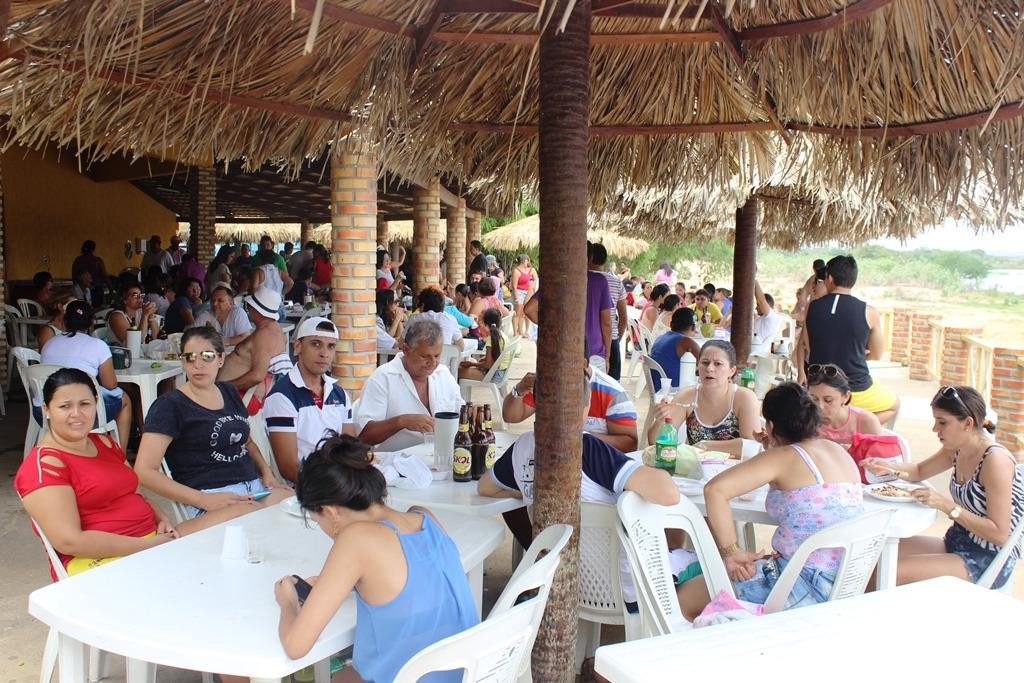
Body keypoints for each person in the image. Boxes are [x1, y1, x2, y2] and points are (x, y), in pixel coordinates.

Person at [274, 435, 478, 682]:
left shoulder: (355, 539)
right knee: (344, 677)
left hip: (413, 676)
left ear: (330, 511)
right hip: (470, 673)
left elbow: (296, 645)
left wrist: (287, 601)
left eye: (319, 522)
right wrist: (341, 582)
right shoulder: (423, 517)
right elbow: (417, 583)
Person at [15, 368, 228, 580]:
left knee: (238, 514)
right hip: (101, 561)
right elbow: (70, 541)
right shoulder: (45, 465)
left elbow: (136, 494)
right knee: (209, 572)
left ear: (96, 404)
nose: (77, 414)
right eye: (65, 406)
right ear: (47, 409)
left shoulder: (104, 442)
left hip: (152, 540)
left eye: (85, 404)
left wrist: (162, 519)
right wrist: (145, 546)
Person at [676, 382, 865, 618]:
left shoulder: (782, 456)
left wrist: (732, 553)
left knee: (682, 599)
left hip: (799, 585)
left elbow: (715, 490)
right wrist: (772, 448)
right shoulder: (836, 450)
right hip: (846, 580)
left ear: (772, 425)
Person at [480, 376, 679, 591]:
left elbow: (485, 488)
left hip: (563, 581)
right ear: (586, 405)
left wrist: (534, 490)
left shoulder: (521, 448)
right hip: (624, 588)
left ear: (535, 403)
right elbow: (669, 493)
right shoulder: (588, 449)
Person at [864, 386, 1023, 589]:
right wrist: (888, 467)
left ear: (967, 423)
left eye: (942, 422)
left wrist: (945, 504)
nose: (935, 429)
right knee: (872, 552)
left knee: (889, 573)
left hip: (988, 559)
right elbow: (919, 471)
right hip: (956, 542)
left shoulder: (995, 461)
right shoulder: (957, 449)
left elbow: (1000, 535)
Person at [135, 327, 292, 519]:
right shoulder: (170, 405)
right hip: (208, 495)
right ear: (183, 362)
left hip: (254, 488)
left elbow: (247, 442)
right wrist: (202, 499)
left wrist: (267, 472)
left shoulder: (228, 392)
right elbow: (144, 471)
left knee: (303, 508)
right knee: (258, 519)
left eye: (207, 356)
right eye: (190, 357)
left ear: (221, 359)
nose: (198, 364)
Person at [800, 255, 900, 424]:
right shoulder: (869, 312)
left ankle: (839, 427)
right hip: (855, 389)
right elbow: (877, 355)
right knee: (894, 405)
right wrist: (856, 355)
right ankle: (856, 429)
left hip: (818, 387)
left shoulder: (812, 307)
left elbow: (809, 347)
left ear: (830, 278)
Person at [264, 318, 355, 484]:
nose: (324, 353)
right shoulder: (282, 396)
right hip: (306, 488)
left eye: (331, 346)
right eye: (316, 344)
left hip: (339, 481)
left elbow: (350, 449)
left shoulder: (340, 394)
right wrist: (337, 484)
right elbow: (289, 468)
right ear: (297, 347)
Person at [355, 318, 464, 451]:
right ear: (406, 349)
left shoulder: (443, 374)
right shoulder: (383, 378)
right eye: (425, 356)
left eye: (437, 356)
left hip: (437, 457)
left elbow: (461, 411)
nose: (432, 362)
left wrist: (472, 413)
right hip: (393, 460)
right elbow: (364, 436)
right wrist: (401, 422)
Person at [40, 300, 132, 449]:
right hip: (80, 413)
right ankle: (119, 454)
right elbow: (110, 384)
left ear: (65, 320)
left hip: (44, 412)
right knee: (125, 399)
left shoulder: (49, 343)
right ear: (92, 322)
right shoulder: (98, 345)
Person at [648, 340, 760, 457]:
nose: (709, 368)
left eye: (718, 364)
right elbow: (654, 443)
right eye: (705, 363)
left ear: (732, 371)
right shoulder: (687, 396)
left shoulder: (744, 398)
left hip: (735, 467)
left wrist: (705, 446)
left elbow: (751, 446)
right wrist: (660, 421)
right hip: (695, 467)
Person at [502, 364, 639, 453]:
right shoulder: (549, 380)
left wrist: (579, 438)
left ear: (584, 363)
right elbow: (510, 417)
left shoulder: (614, 394)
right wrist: (520, 389)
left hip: (596, 463)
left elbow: (630, 444)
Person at [218, 287, 291, 408]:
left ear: (257, 310)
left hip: (240, 398)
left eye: (250, 306)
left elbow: (257, 376)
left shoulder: (264, 335)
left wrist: (224, 388)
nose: (248, 309)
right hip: (238, 394)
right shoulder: (274, 329)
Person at [806, 363, 885, 449]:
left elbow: (881, 454)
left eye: (828, 400)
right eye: (814, 399)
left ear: (846, 397)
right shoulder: (805, 420)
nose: (820, 406)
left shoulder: (866, 421)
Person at [591, 243, 627, 380]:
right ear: (605, 261)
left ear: (588, 257)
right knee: (612, 387)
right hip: (611, 339)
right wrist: (615, 339)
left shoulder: (582, 281)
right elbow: (623, 318)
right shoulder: (616, 282)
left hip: (590, 342)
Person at [649, 308, 703, 393]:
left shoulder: (660, 338)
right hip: (674, 389)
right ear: (693, 327)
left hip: (659, 387)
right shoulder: (685, 342)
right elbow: (705, 363)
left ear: (671, 324)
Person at [458, 308, 510, 382]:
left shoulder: (491, 338)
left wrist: (471, 364)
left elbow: (488, 365)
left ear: (485, 324)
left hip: (493, 375)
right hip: (501, 373)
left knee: (457, 372)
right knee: (472, 362)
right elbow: (495, 356)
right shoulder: (502, 335)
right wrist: (483, 359)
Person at [585, 242, 613, 371]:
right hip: (594, 349)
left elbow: (529, 310)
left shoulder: (560, 278)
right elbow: (606, 322)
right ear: (590, 257)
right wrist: (607, 355)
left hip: (564, 347)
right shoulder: (600, 281)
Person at [510, 254, 537, 337]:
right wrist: (517, 299)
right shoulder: (516, 271)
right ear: (524, 261)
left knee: (528, 311)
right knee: (518, 312)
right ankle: (516, 332)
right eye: (527, 260)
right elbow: (514, 287)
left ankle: (526, 331)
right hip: (519, 292)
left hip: (528, 291)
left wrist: (532, 288)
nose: (528, 262)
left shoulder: (531, 270)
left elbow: (536, 281)